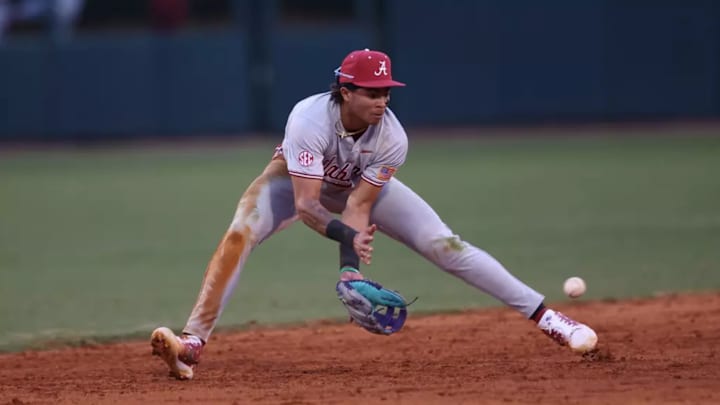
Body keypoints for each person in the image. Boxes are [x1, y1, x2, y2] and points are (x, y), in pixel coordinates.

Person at [150, 49, 598, 380]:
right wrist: (346, 238)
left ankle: (550, 320)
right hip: (292, 182)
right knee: (239, 233)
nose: (382, 100)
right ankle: (193, 341)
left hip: (353, 192)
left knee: (445, 244)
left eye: (387, 91)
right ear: (346, 91)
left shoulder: (392, 138)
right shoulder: (308, 120)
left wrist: (350, 272)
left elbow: (358, 204)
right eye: (372, 92)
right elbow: (308, 204)